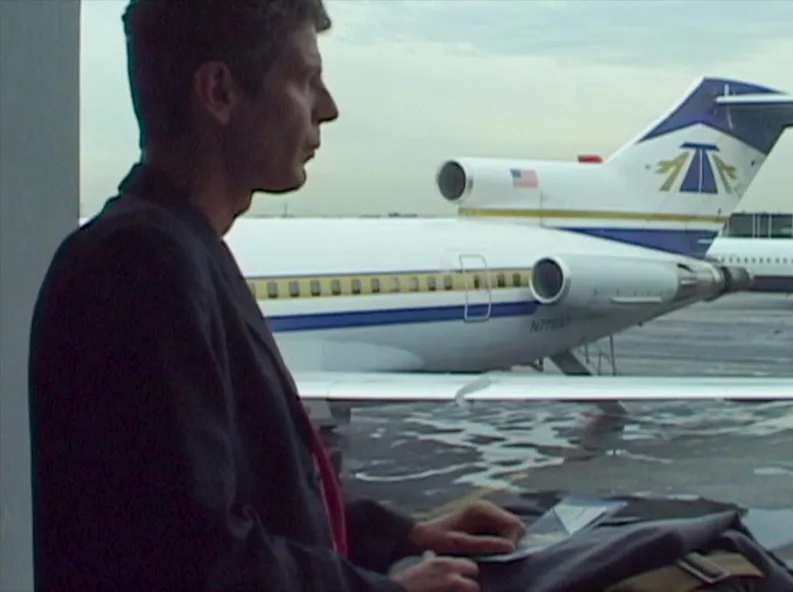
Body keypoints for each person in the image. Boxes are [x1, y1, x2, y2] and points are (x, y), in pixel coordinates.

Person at [27, 1, 526, 590]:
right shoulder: (140, 266)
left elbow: (221, 507)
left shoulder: (175, 247)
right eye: (305, 78)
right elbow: (192, 562)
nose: (329, 108)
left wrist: (402, 536)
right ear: (219, 92)